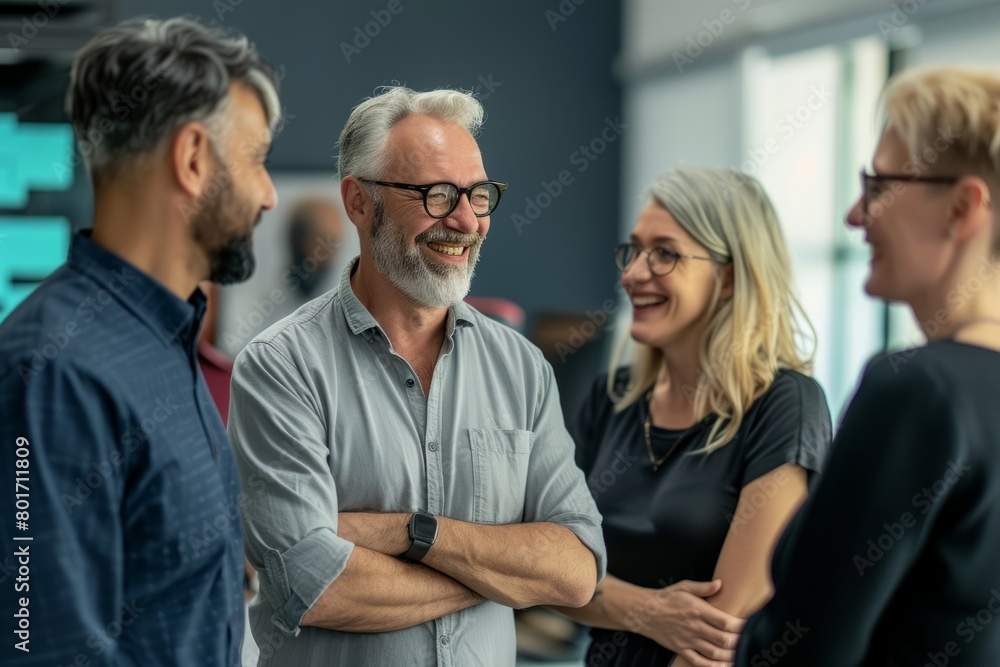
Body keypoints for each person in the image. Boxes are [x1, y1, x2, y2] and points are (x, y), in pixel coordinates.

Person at [227, 86, 606, 666]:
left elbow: (576, 571)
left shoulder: (521, 367)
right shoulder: (281, 367)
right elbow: (313, 584)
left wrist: (413, 532)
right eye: (435, 194)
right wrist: (500, 578)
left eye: (478, 195)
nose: (465, 221)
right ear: (358, 202)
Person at [0, 17, 280, 666]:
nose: (268, 194)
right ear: (192, 159)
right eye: (257, 160)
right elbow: (43, 651)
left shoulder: (164, 340)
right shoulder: (53, 372)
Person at [735, 66, 1000, 666]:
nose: (857, 215)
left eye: (878, 186)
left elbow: (806, 647)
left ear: (962, 207)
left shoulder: (917, 389)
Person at [553, 167, 832, 667]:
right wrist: (649, 611)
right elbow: (547, 576)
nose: (633, 274)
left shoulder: (785, 406)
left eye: (664, 253)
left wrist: (604, 598)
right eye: (633, 250)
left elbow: (717, 640)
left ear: (728, 276)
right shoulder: (610, 400)